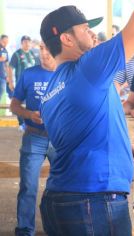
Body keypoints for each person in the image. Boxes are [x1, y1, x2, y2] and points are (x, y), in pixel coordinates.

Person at [38, 2, 134, 235]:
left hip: (60, 200)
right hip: (92, 202)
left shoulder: (50, 92)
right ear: (67, 39)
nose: (92, 33)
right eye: (85, 28)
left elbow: (81, 133)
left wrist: (120, 146)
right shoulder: (89, 68)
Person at [10, 42, 56, 236]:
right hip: (34, 137)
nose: (44, 53)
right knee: (28, 186)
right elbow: (14, 105)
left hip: (60, 140)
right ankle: (24, 230)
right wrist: (29, 115)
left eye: (48, 49)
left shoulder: (68, 73)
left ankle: (57, 228)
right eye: (42, 48)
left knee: (62, 186)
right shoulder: (29, 74)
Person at [0, 34, 9, 101]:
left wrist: (8, 75)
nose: (5, 43)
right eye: (4, 42)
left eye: (7, 42)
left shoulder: (5, 50)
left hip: (2, 75)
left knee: (2, 90)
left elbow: (6, 63)